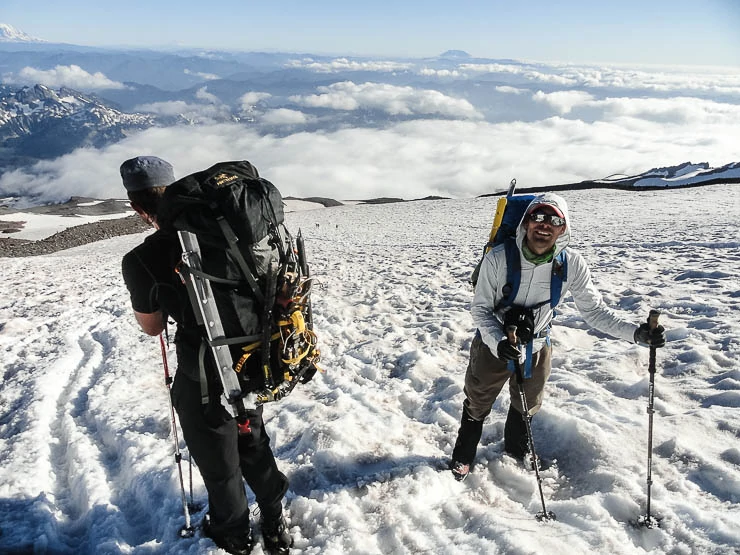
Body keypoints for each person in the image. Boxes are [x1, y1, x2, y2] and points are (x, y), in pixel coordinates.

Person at [119, 156, 292, 555]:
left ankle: (233, 534)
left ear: (137, 207)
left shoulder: (143, 259)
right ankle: (274, 516)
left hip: (204, 373)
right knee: (252, 438)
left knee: (219, 460)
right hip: (257, 358)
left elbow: (152, 326)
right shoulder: (235, 230)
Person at [450, 192, 665, 481]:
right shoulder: (498, 259)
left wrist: (637, 334)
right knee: (478, 399)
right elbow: (480, 309)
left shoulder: (571, 265)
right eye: (537, 216)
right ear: (526, 222)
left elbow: (595, 313)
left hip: (537, 346)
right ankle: (463, 455)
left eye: (553, 219)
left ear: (563, 228)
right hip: (494, 344)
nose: (544, 224)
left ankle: (516, 453)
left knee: (527, 403)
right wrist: (498, 342)